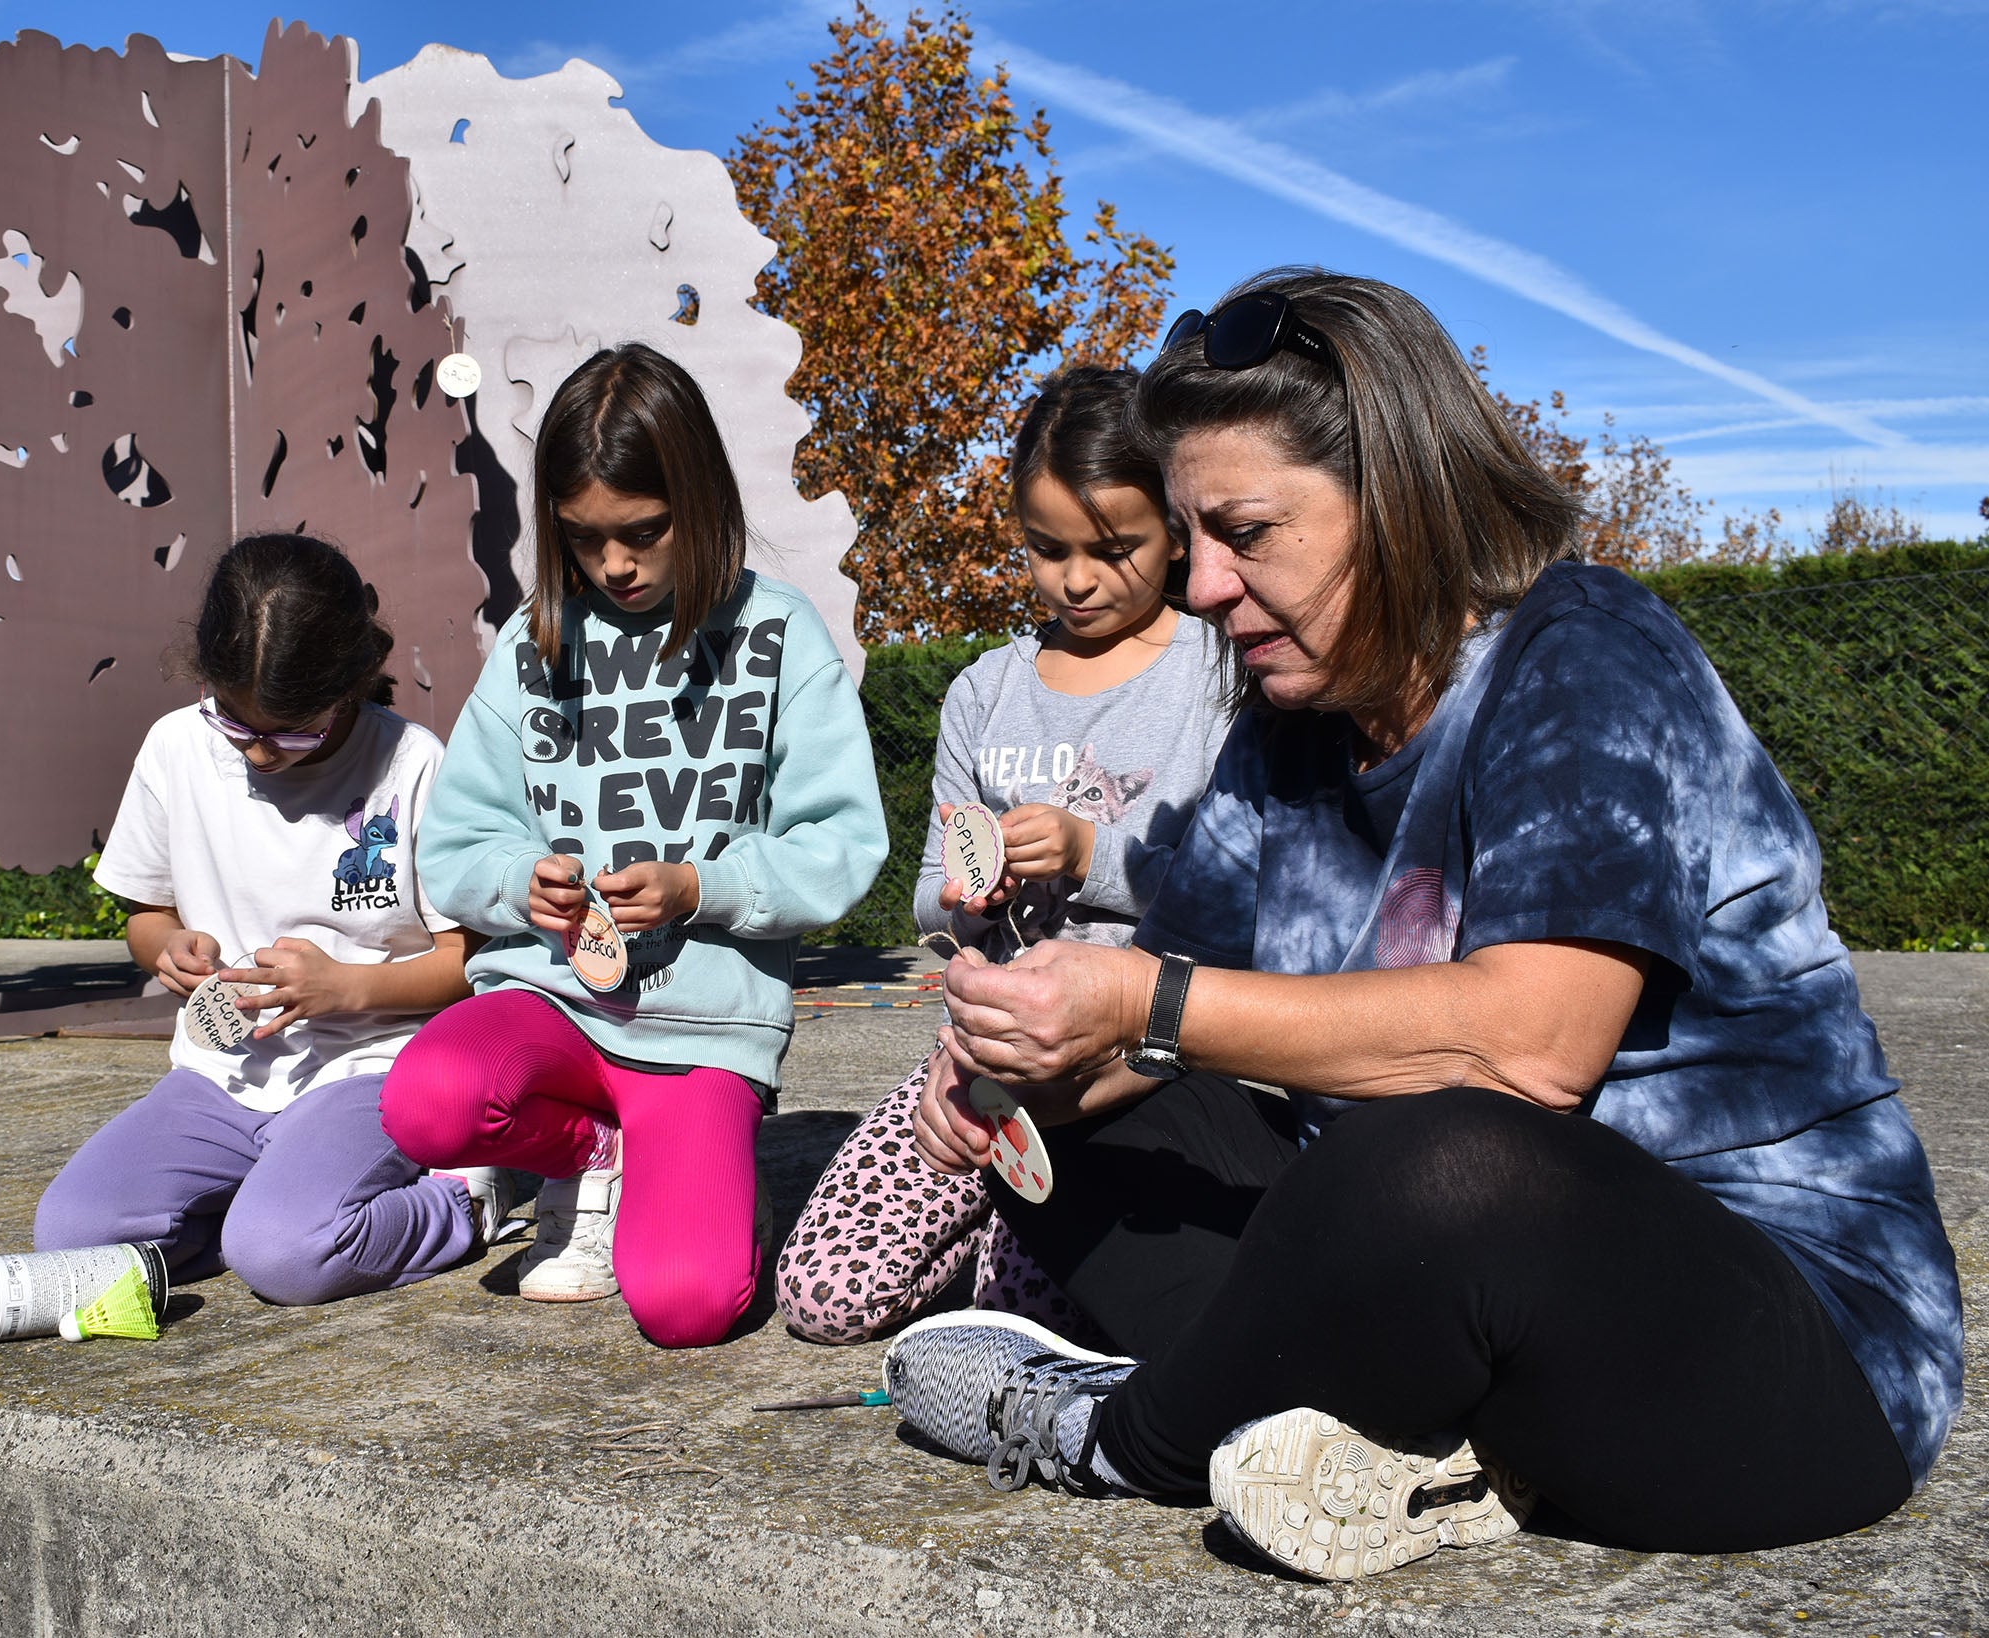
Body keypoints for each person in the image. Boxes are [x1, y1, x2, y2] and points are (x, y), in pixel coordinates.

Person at [879, 270, 1963, 1582]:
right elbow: (1165, 1012)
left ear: (1397, 495)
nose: (1203, 585)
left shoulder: (1584, 655)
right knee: (1083, 1124)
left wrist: (1137, 1005)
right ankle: (1401, 1452)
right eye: (1190, 535)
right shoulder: (1283, 735)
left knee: (1438, 1150)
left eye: (1245, 531)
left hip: (1786, 1347)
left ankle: (1114, 1433)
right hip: (1458, 1299)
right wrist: (1021, 1069)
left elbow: (1532, 1049)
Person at [380, 342, 887, 1349]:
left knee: (688, 1306)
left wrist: (701, 887)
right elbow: (456, 845)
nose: (614, 564)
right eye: (583, 539)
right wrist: (521, 882)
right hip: (547, 1004)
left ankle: (694, 1175)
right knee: (427, 1106)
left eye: (643, 532)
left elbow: (842, 843)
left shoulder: (777, 633)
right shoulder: (533, 642)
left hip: (702, 1033)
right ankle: (592, 1156)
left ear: (699, 501)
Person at [775, 366, 1233, 1346]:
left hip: (1133, 1067)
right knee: (822, 1296)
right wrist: (966, 899)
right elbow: (932, 907)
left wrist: (1086, 850)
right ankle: (983, 1220)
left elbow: (1232, 904)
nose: (1076, 580)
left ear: (1174, 529)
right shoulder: (984, 692)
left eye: (1114, 550)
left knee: (1026, 1317)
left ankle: (1006, 1246)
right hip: (982, 1058)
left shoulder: (1215, 680)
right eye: (1046, 548)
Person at [36, 534, 504, 1304]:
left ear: (352, 682)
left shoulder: (412, 763)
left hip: (368, 1066)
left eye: (292, 730)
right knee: (75, 1239)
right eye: (235, 723)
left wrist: (345, 988)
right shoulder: (175, 748)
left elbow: (469, 958)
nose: (258, 754)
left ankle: (462, 1202)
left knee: (285, 1257)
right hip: (218, 1074)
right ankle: (261, 1207)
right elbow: (146, 915)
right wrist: (167, 948)